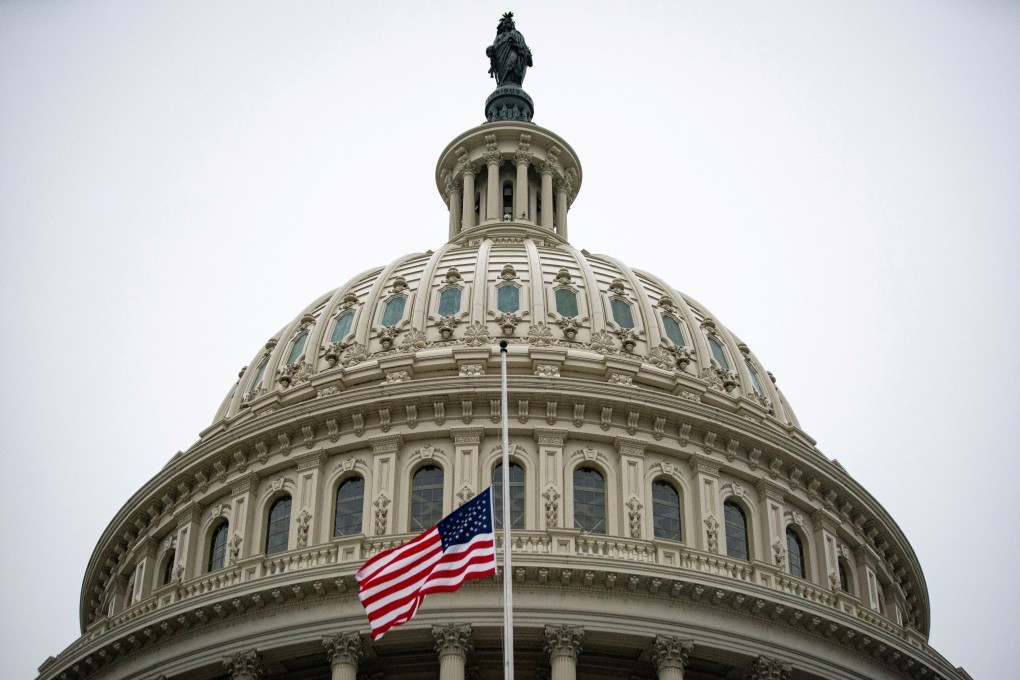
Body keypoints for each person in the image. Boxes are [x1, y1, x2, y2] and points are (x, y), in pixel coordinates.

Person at [486, 12, 533, 86]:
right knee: (505, 73)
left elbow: (524, 47)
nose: (509, 23)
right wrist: (489, 50)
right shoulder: (499, 36)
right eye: (507, 21)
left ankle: (514, 82)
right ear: (503, 24)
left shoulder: (518, 35)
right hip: (501, 59)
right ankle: (504, 82)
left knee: (512, 62)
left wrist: (526, 53)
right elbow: (494, 49)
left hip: (516, 54)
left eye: (510, 22)